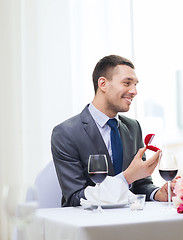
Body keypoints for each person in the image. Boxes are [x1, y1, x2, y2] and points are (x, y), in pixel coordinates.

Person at [51, 55, 169, 207]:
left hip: (130, 221)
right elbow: (74, 197)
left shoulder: (133, 128)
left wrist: (158, 194)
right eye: (127, 83)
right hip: (90, 223)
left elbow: (141, 186)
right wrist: (126, 177)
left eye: (135, 85)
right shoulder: (66, 133)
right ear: (103, 84)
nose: (134, 91)